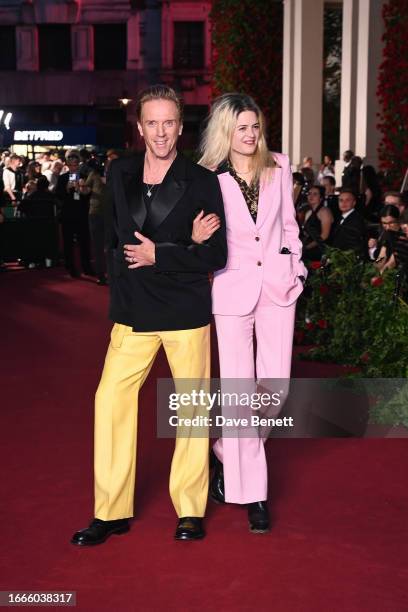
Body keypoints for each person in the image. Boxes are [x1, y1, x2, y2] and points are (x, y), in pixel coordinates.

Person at [71, 85, 227, 546]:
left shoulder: (201, 181)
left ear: (181, 126)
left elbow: (215, 252)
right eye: (152, 123)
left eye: (169, 122)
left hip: (184, 311)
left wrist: (165, 253)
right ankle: (111, 510)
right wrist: (184, 246)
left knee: (192, 410)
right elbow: (114, 239)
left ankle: (190, 508)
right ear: (140, 127)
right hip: (134, 308)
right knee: (110, 402)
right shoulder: (119, 171)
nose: (161, 132)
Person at [198, 93, 307, 533]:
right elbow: (202, 233)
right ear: (226, 131)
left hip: (279, 286)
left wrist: (294, 264)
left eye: (255, 126)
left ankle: (225, 451)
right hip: (231, 287)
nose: (250, 134)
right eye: (241, 127)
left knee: (274, 390)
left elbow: (289, 225)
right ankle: (254, 493)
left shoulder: (278, 165)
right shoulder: (208, 177)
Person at [55, 151, 93, 278]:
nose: (73, 168)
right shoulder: (62, 178)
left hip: (81, 213)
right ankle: (71, 267)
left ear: (78, 164)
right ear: (67, 165)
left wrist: (82, 190)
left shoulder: (84, 176)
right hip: (68, 214)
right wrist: (66, 188)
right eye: (71, 165)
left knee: (84, 242)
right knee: (68, 243)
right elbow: (58, 196)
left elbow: (90, 196)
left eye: (75, 165)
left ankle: (86, 267)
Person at [331, 188, 368, 259]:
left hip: (349, 261)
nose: (343, 203)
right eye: (341, 200)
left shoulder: (356, 220)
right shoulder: (341, 217)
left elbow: (356, 246)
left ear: (354, 203)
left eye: (347, 200)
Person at [302, 185, 334, 260]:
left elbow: (324, 236)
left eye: (315, 194)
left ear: (321, 198)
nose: (311, 196)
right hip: (308, 247)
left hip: (320, 250)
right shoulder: (308, 212)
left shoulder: (325, 211)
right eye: (309, 193)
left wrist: (307, 247)